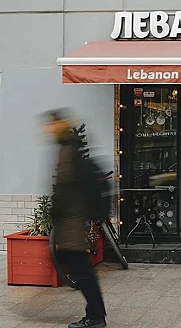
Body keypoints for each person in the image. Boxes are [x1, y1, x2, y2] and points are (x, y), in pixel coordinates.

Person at [43, 109, 107, 328]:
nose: (47, 129)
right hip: (73, 218)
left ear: (59, 125)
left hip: (71, 219)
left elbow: (63, 188)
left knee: (82, 271)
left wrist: (55, 212)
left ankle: (95, 317)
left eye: (51, 124)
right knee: (82, 269)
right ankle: (96, 315)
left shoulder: (67, 151)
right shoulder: (70, 148)